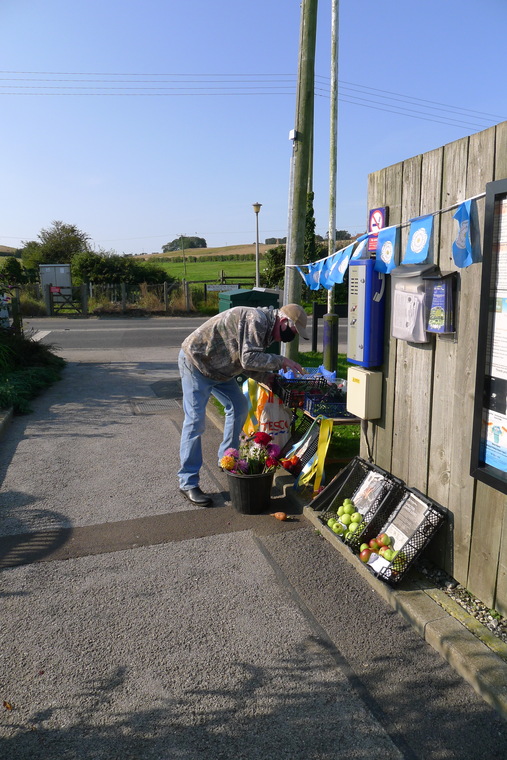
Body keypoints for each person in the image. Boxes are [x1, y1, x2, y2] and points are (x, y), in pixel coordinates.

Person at [178, 303, 310, 506]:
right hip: (197, 362)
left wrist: (266, 377)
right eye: (291, 332)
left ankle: (227, 459)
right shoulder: (256, 320)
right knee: (195, 421)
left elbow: (245, 361)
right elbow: (248, 359)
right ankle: (187, 482)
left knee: (239, 406)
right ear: (283, 322)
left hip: (221, 369)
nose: (288, 338)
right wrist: (280, 360)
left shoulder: (265, 329)